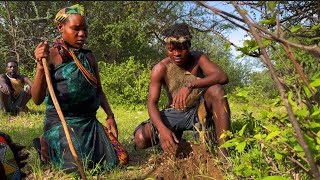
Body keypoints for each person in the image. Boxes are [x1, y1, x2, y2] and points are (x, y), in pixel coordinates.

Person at [32, 4, 128, 173]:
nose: (82, 34)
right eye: (76, 29)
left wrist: (110, 116)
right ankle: (45, 143)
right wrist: (41, 67)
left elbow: (99, 90)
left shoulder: (89, 57)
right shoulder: (52, 55)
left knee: (120, 159)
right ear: (61, 27)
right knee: (76, 167)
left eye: (85, 29)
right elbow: (37, 99)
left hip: (89, 123)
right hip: (62, 123)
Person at [133, 23, 231, 158]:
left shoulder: (198, 58)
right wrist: (162, 130)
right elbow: (151, 103)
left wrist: (190, 85)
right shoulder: (160, 68)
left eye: (181, 49)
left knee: (217, 90)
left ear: (189, 46)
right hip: (175, 112)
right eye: (171, 49)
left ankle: (224, 155)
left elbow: (222, 76)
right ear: (166, 48)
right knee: (140, 138)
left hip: (200, 110)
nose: (177, 53)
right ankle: (184, 144)